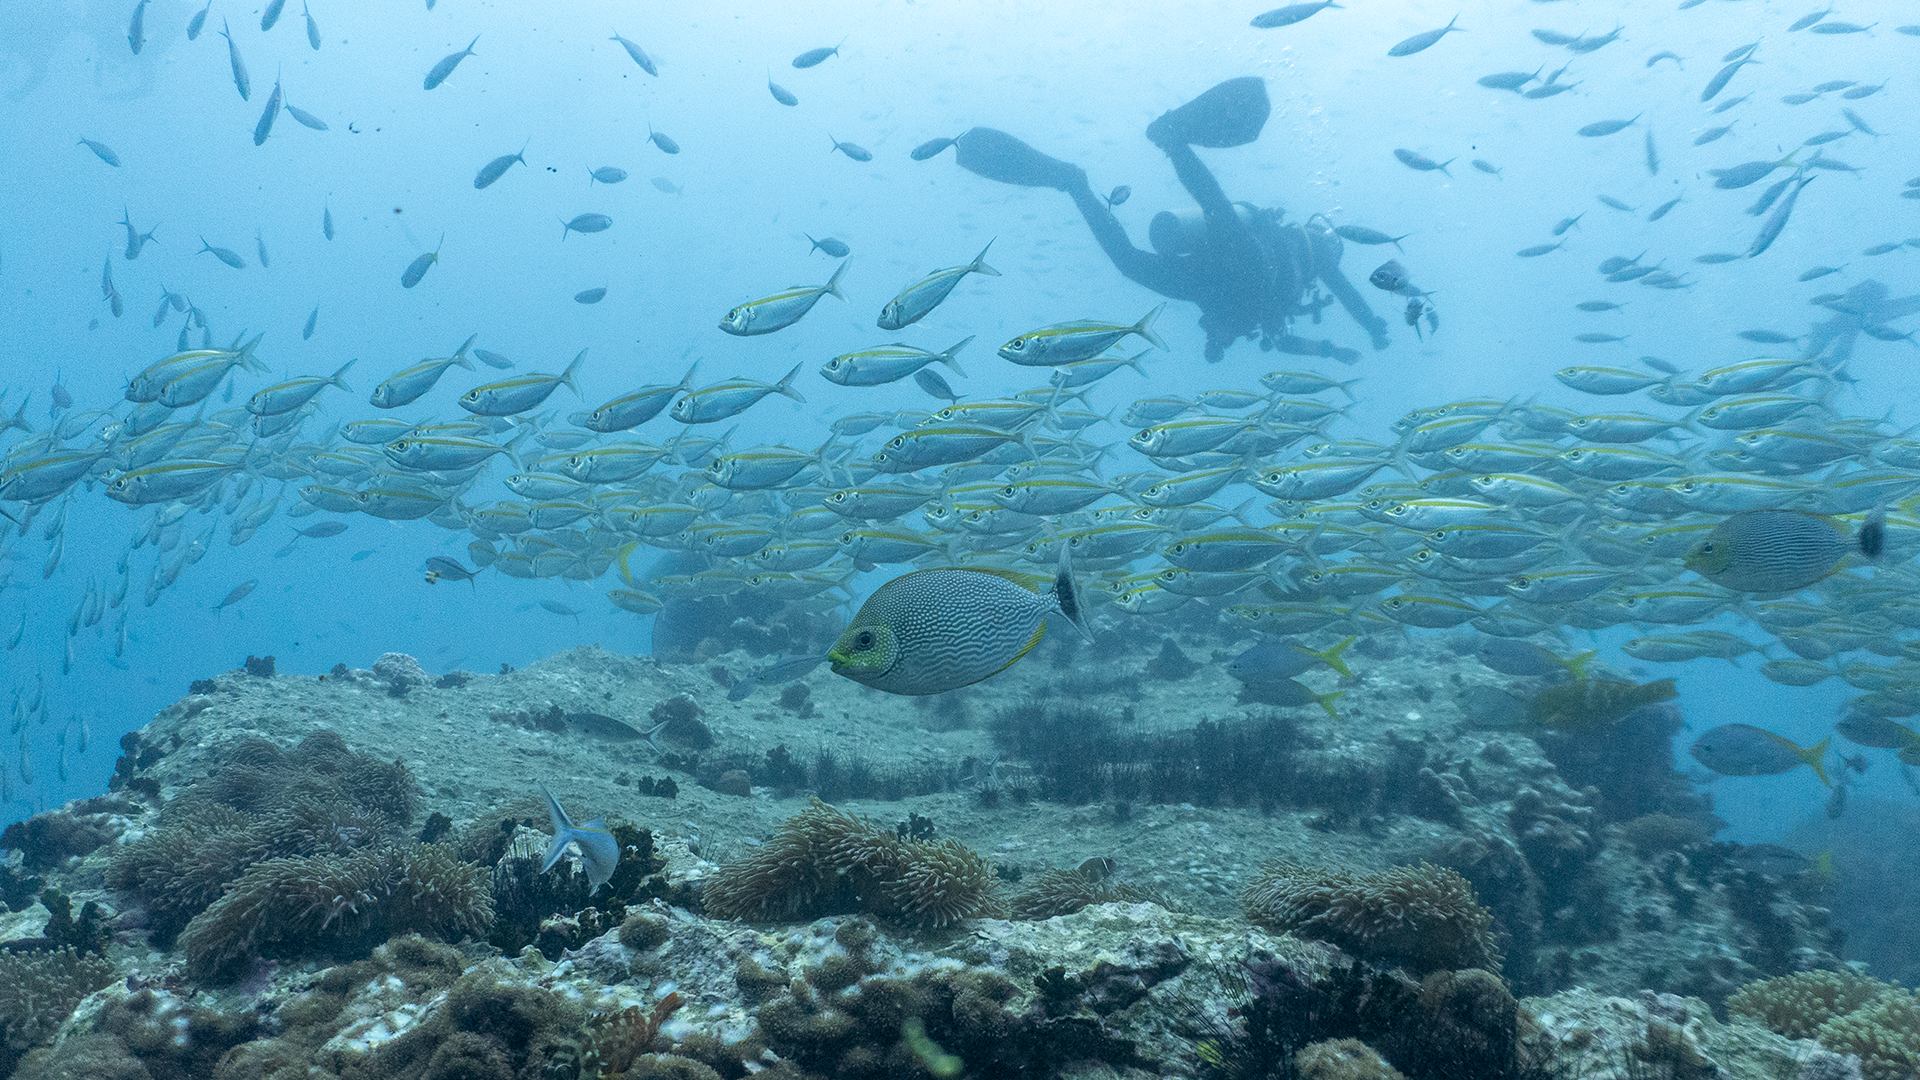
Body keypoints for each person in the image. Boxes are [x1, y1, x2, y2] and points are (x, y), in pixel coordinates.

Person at [947, 77, 1392, 364]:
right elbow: (1348, 294)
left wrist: (1332, 351)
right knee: (1206, 223)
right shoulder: (1313, 253)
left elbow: (1278, 337)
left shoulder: (1292, 269)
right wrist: (1372, 326)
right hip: (1239, 269)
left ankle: (1076, 184)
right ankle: (1170, 143)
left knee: (1133, 259)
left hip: (1208, 282)